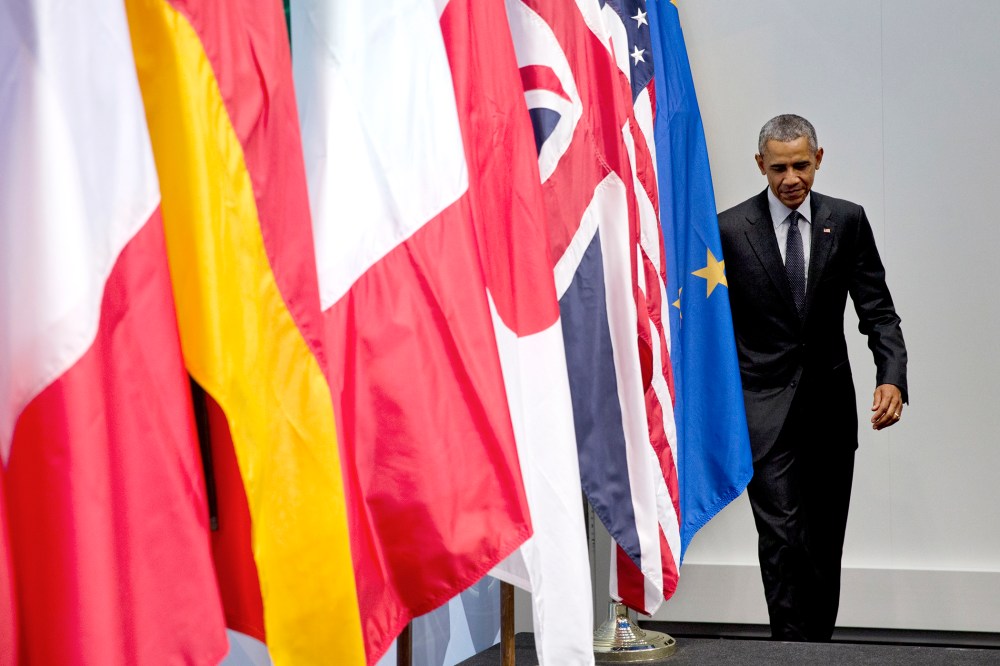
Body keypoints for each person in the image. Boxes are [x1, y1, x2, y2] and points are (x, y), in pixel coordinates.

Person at [718, 114, 908, 641]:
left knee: (824, 541)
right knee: (781, 538)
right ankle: (788, 648)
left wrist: (891, 375)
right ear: (761, 165)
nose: (791, 178)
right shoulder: (730, 229)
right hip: (763, 408)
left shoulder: (846, 221)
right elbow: (713, 327)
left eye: (801, 164)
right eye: (778, 167)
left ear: (818, 159)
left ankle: (816, 648)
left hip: (829, 408)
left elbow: (879, 311)